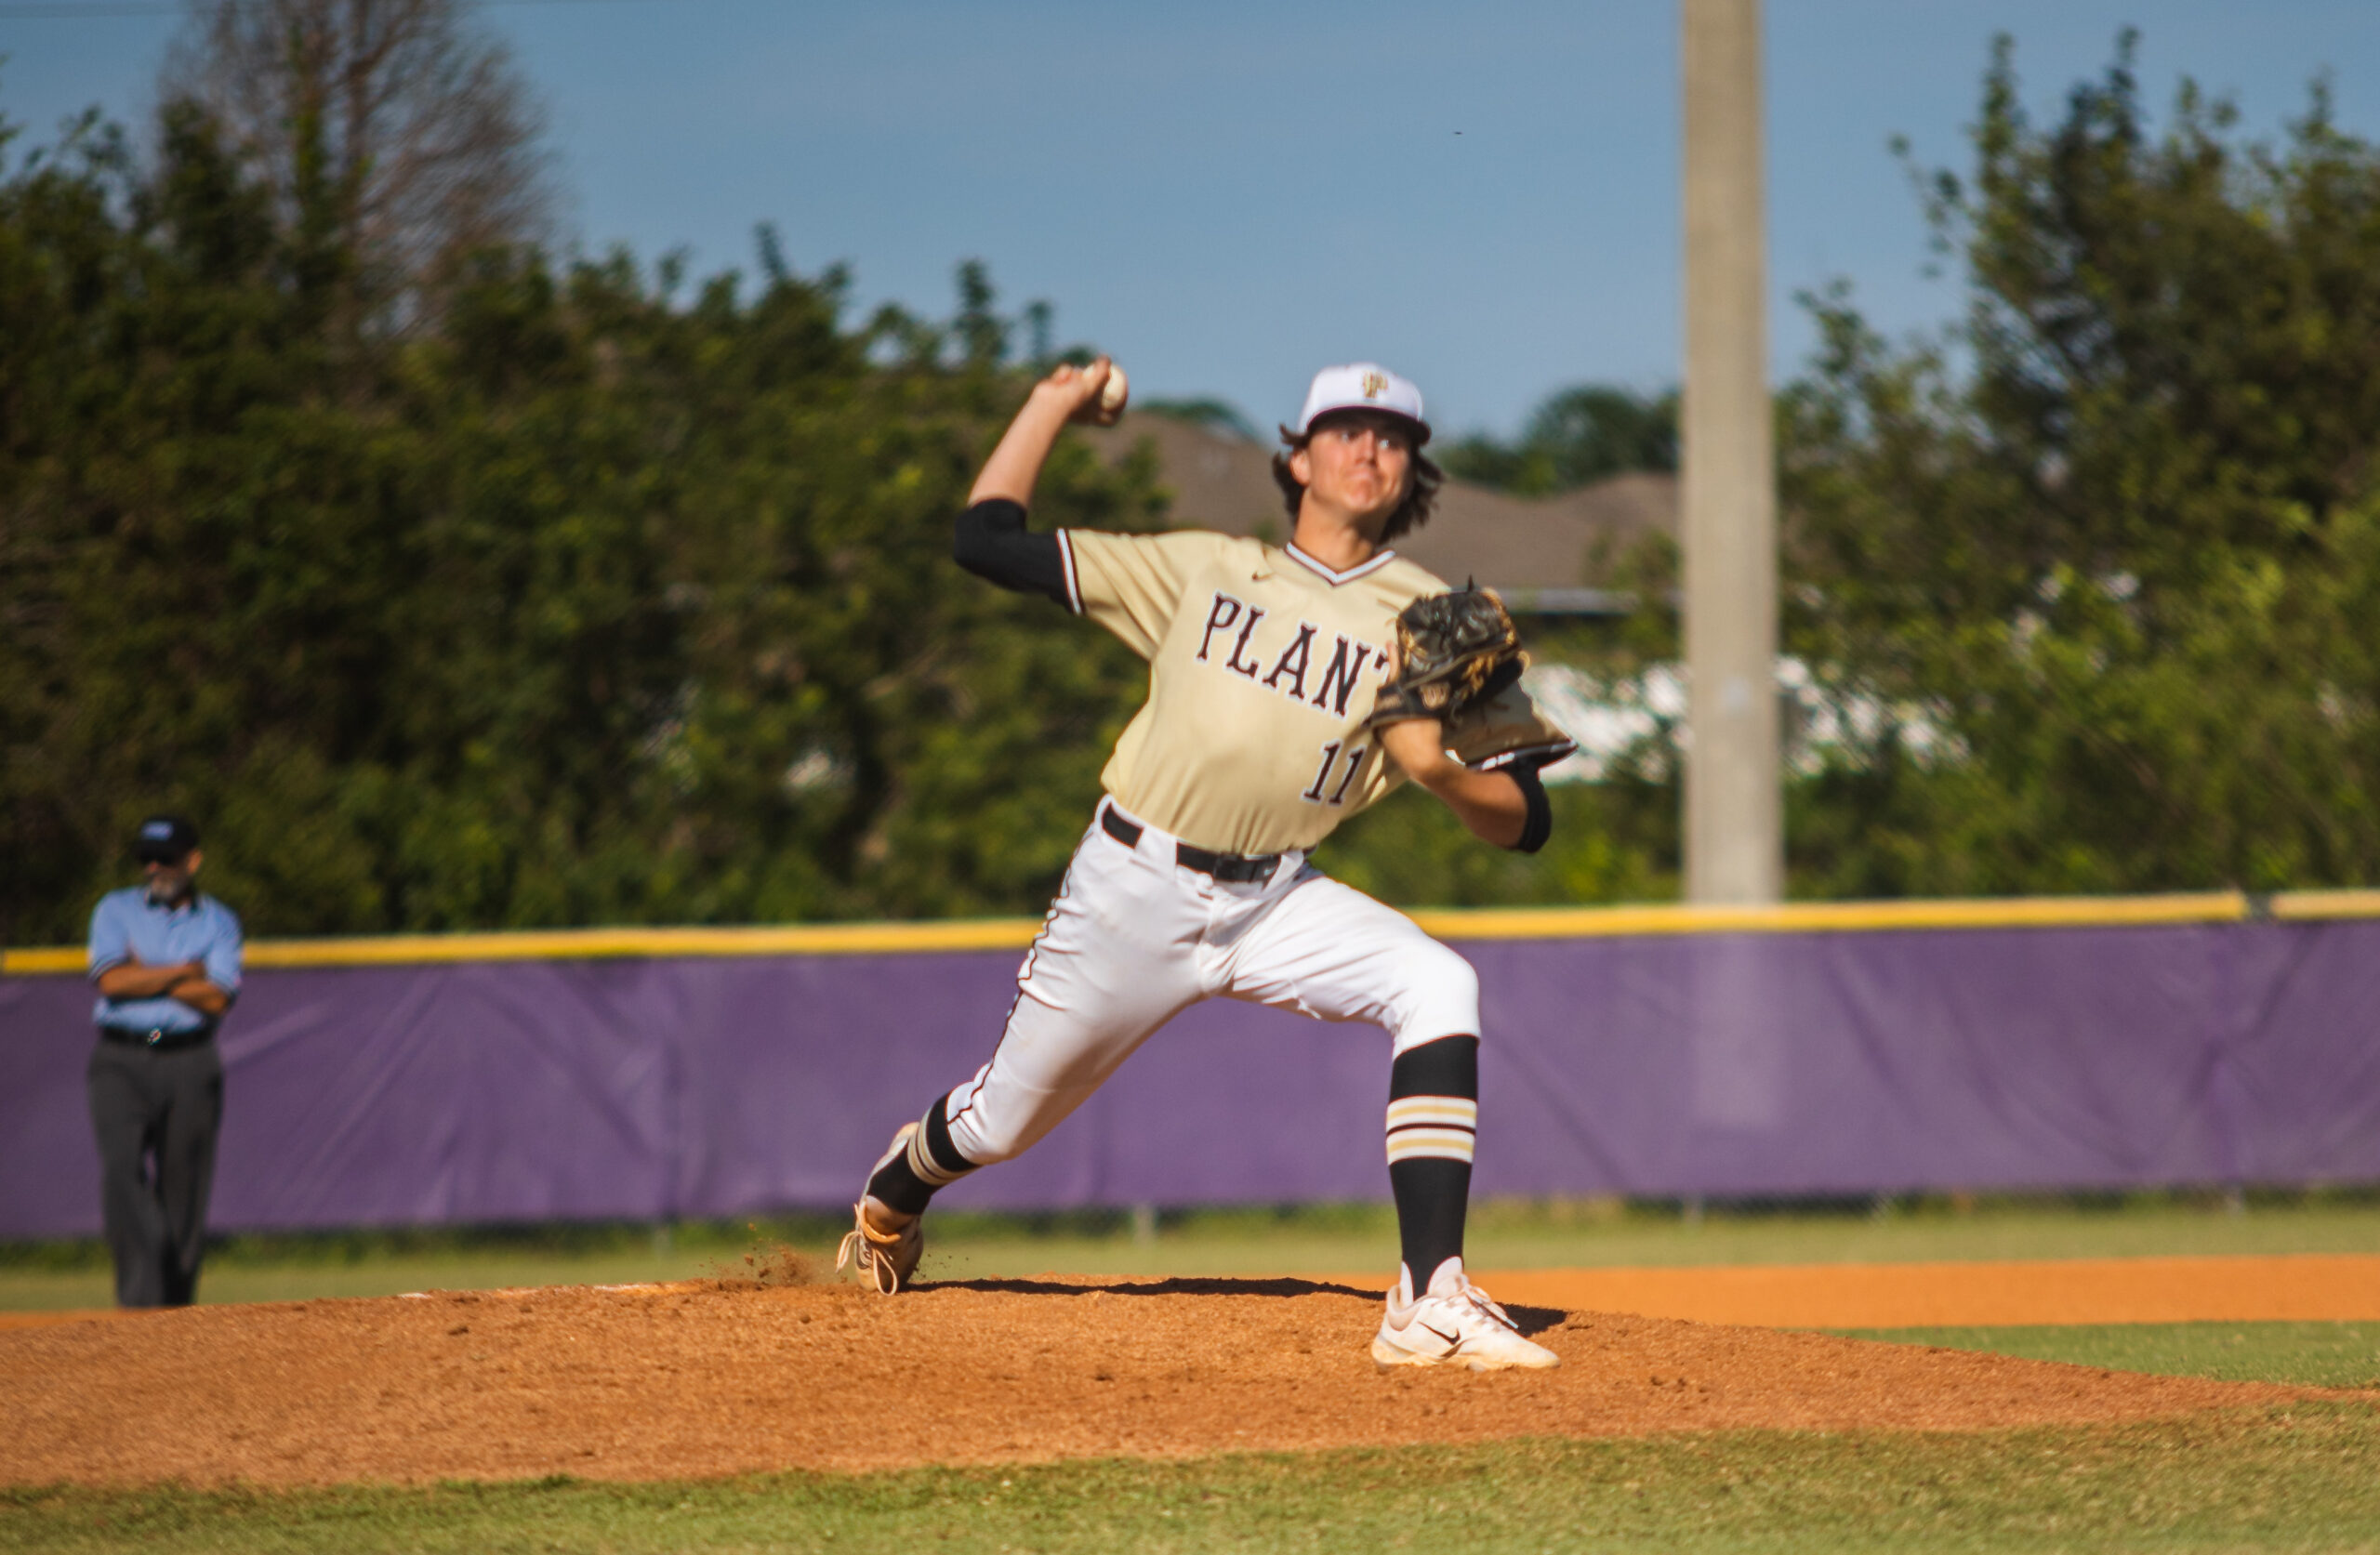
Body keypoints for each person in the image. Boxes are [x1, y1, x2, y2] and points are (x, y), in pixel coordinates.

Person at [837, 361, 1576, 1370]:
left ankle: (1429, 1298)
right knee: (999, 1122)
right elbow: (985, 541)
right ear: (1299, 458)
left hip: (1274, 896)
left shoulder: (1437, 621)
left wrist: (1436, 772)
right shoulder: (1205, 569)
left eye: (1394, 437)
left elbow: (1528, 821)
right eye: (1346, 428)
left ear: (1413, 472)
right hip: (1132, 885)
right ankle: (898, 1185)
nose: (1370, 449)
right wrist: (1052, 403)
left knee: (1438, 981)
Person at [85, 814, 243, 1308]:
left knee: (184, 1187)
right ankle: (140, 1303)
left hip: (186, 1054)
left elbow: (218, 998)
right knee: (121, 1168)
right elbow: (111, 981)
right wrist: (183, 973)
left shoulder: (218, 922)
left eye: (166, 857)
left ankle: (175, 1312)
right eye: (146, 857)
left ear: (192, 861)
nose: (154, 867)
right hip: (124, 1053)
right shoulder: (115, 909)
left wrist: (145, 973)